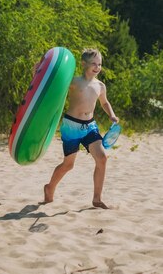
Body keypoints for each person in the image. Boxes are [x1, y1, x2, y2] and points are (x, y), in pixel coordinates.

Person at [41, 48, 119, 209]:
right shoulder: (74, 81)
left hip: (90, 126)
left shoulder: (100, 86)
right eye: (94, 64)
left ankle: (97, 199)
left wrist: (111, 114)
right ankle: (49, 187)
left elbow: (104, 102)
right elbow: (53, 87)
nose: (97, 67)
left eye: (100, 64)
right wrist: (40, 70)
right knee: (68, 165)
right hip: (71, 126)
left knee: (102, 158)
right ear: (84, 64)